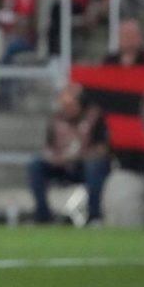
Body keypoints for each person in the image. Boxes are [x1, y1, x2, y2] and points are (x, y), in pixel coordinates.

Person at [28, 84, 110, 224]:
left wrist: (77, 156)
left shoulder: (94, 118)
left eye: (70, 105)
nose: (66, 109)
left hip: (84, 166)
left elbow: (102, 149)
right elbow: (48, 147)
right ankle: (43, 215)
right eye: (63, 105)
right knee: (35, 165)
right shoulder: (56, 119)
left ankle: (94, 216)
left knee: (94, 167)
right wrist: (54, 158)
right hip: (61, 166)